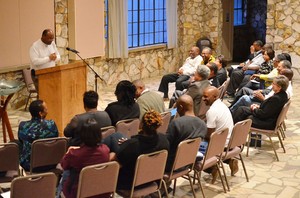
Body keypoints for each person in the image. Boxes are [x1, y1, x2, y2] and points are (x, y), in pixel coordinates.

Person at [113, 110, 169, 190]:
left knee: (115, 139)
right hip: (152, 179)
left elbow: (116, 160)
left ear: (141, 124)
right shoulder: (164, 140)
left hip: (130, 184)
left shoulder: (132, 145)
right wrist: (129, 142)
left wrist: (128, 144)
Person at [60, 118, 111, 198]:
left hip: (79, 193)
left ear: (82, 135)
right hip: (101, 192)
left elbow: (63, 165)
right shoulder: (105, 150)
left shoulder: (74, 154)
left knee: (66, 174)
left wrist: (68, 152)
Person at [202, 86, 236, 181]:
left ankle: (211, 167)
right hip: (230, 141)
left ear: (215, 97)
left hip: (221, 144)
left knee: (194, 149)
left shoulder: (212, 111)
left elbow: (209, 136)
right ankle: (229, 160)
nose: (203, 99)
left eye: (206, 96)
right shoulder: (222, 105)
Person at [166, 95, 207, 172]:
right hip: (190, 161)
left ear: (180, 107)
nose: (176, 110)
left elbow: (166, 145)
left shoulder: (176, 123)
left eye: (177, 108)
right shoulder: (203, 124)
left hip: (172, 165)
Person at [18, 100, 58, 172]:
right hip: (50, 163)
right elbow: (56, 138)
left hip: (29, 164)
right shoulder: (51, 124)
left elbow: (21, 141)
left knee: (16, 144)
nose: (47, 111)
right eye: (46, 109)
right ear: (40, 113)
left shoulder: (23, 125)